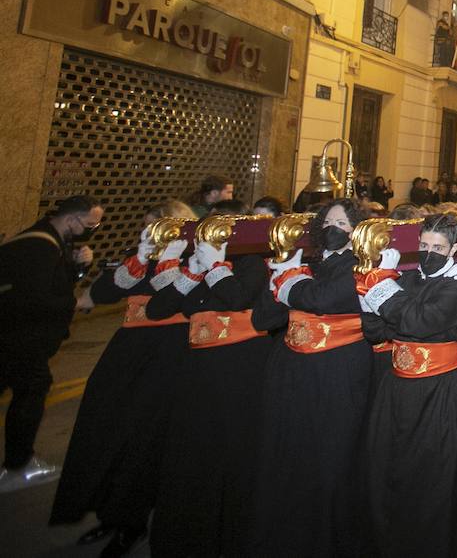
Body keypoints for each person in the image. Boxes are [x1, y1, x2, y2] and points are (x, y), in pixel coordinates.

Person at [47, 201, 189, 554]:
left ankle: (132, 520)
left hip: (167, 352)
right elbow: (107, 293)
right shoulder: (141, 255)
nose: (149, 233)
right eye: (146, 228)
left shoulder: (192, 258)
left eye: (155, 227)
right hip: (127, 349)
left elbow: (168, 298)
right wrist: (140, 255)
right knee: (107, 427)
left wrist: (170, 256)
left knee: (144, 438)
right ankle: (108, 513)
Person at [248, 199, 372, 556]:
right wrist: (280, 276)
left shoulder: (358, 266)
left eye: (343, 222)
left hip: (337, 373)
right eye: (328, 221)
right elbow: (264, 318)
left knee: (329, 460)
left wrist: (287, 277)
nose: (335, 228)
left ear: (357, 230)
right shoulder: (309, 264)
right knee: (286, 454)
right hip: (292, 370)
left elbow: (323, 300)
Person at [145, 216, 273, 556]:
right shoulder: (203, 261)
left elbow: (238, 298)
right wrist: (192, 270)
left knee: (228, 459)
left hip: (238, 373)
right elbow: (160, 309)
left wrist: (216, 266)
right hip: (198, 373)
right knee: (190, 458)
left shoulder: (252, 264)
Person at [358, 213, 457, 557]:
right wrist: (372, 300)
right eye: (424, 245)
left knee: (434, 480)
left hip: (440, 393)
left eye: (438, 247)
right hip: (396, 390)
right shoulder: (409, 280)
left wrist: (382, 289)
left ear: (455, 248)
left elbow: (422, 321)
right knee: (390, 471)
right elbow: (377, 331)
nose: (429, 252)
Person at [0, 195, 102, 490]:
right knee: (33, 388)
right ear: (72, 220)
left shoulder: (51, 241)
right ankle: (18, 465)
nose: (92, 229)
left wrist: (79, 268)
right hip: (19, 338)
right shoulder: (39, 247)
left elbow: (52, 283)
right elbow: (36, 297)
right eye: (90, 224)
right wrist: (75, 303)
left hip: (17, 337)